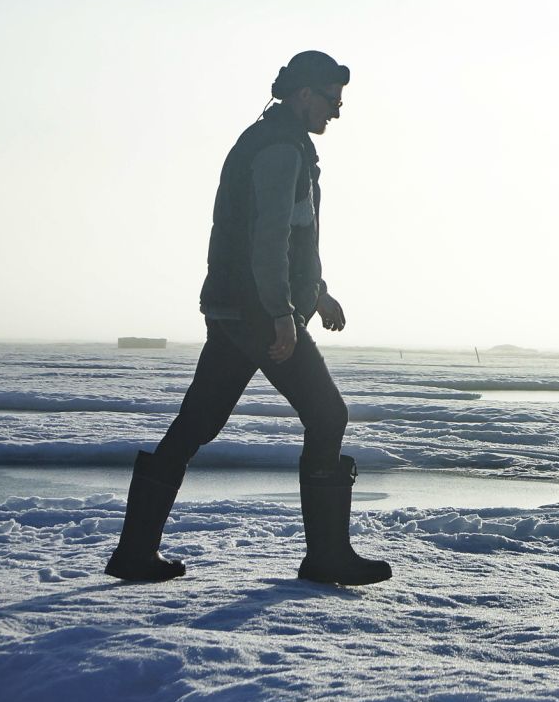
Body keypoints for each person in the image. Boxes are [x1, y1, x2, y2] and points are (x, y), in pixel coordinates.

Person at [105, 50, 392, 586]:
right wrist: (283, 313)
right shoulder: (281, 147)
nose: (336, 110)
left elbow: (288, 233)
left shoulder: (269, 139)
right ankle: (326, 555)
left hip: (236, 310)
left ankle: (134, 552)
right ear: (304, 93)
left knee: (196, 425)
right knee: (327, 415)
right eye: (331, 98)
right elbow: (269, 239)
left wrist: (318, 293)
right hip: (257, 312)